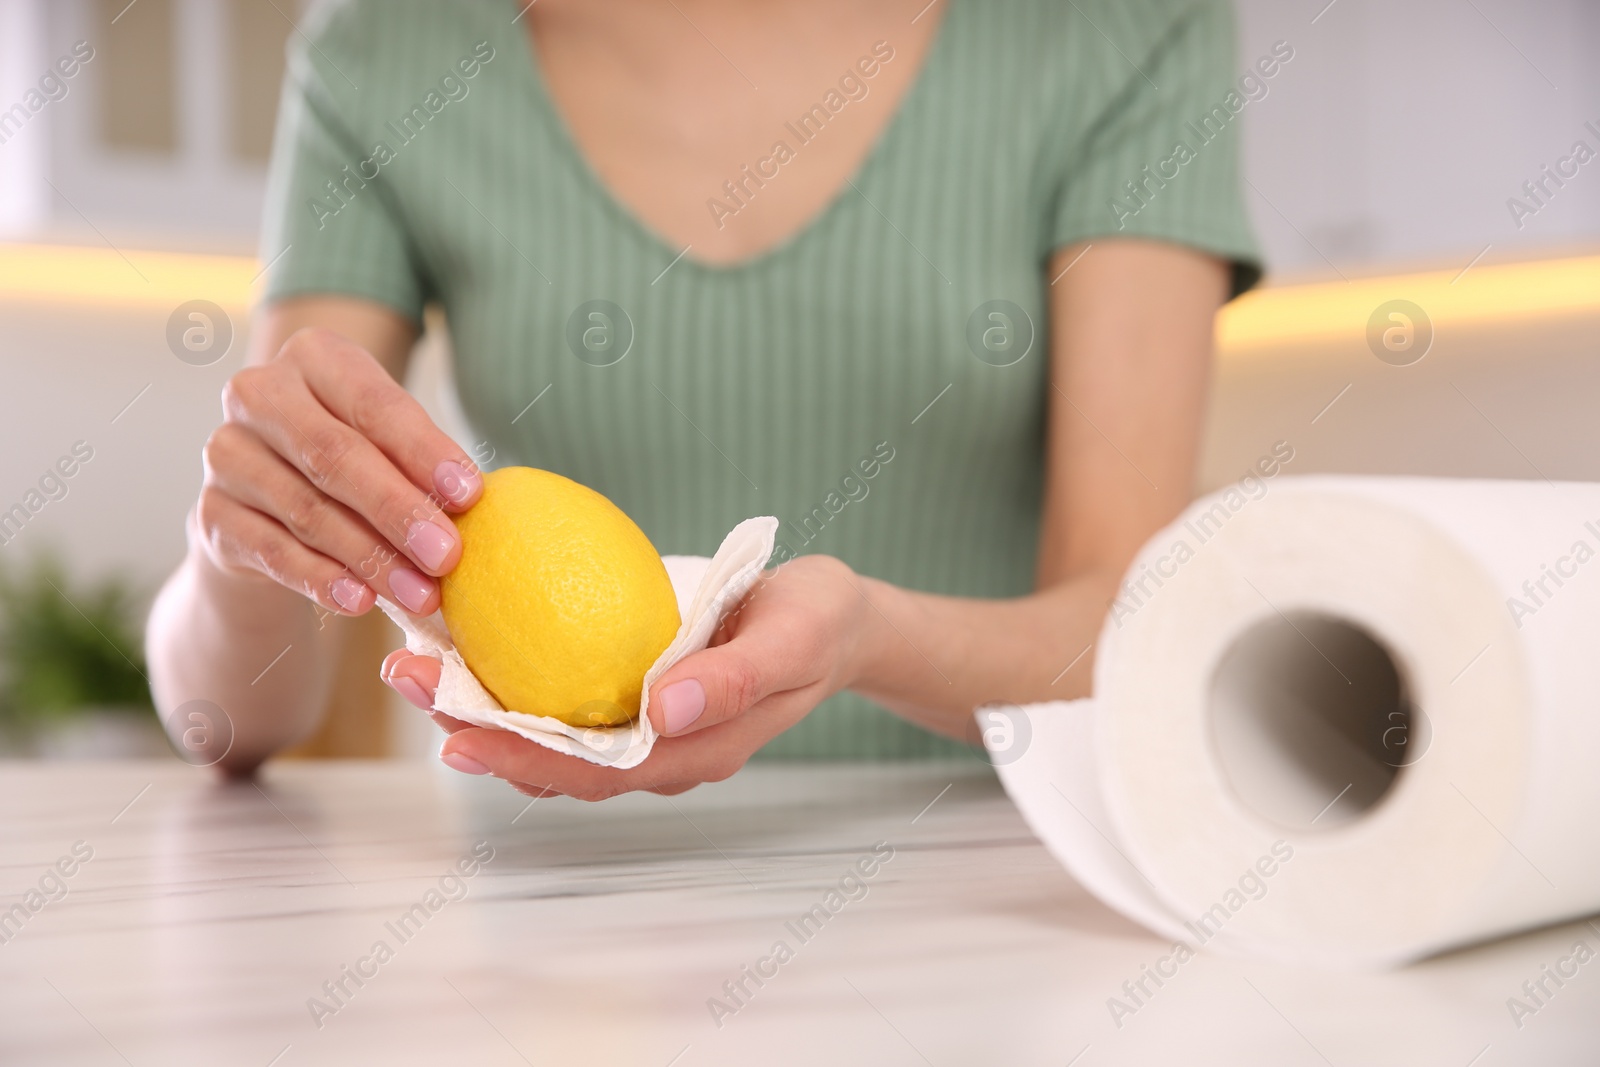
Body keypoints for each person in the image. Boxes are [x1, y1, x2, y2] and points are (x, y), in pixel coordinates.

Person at [146, 0, 1260, 797]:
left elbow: (1131, 624)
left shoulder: (1122, 24)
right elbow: (233, 722)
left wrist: (868, 638)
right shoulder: (384, 46)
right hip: (548, 915)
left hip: (974, 888)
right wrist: (239, 540)